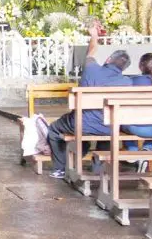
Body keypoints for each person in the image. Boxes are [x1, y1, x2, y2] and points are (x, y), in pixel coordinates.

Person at [45, 24, 132, 179]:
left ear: (108, 59)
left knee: (53, 129)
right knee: (106, 128)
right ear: (124, 68)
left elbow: (90, 52)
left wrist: (94, 36)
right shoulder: (126, 82)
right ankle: (98, 170)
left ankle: (60, 169)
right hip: (108, 127)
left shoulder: (92, 69)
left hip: (81, 123)